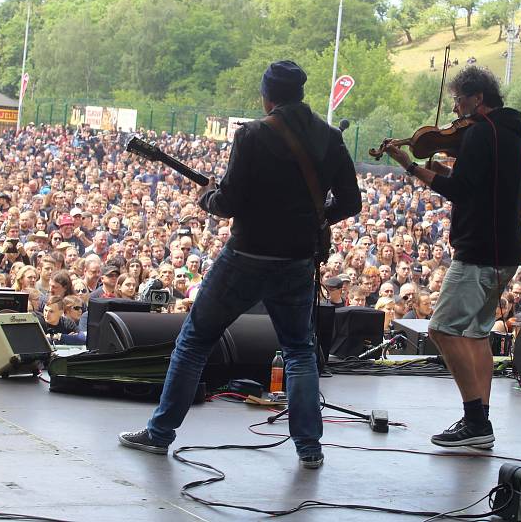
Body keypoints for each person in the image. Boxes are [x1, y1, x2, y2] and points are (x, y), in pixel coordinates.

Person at [118, 60, 361, 469]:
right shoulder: (330, 137)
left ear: (267, 95)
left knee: (195, 340)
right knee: (299, 351)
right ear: (300, 94)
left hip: (246, 257)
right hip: (297, 260)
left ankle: (160, 434)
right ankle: (310, 448)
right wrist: (314, 219)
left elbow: (227, 203)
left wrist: (206, 197)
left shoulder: (253, 134)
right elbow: (350, 203)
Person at [383, 66, 521, 449]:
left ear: (478, 98)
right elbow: (482, 185)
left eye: (460, 100)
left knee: (442, 329)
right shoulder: (509, 135)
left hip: (479, 250)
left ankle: (475, 420)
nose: (455, 110)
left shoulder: (480, 133)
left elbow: (461, 191)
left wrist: (411, 167)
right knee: (477, 334)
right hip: (506, 250)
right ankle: (482, 420)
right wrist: (442, 169)